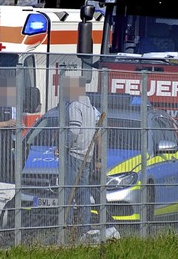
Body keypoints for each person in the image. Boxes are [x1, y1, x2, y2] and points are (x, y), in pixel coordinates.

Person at [61, 76, 101, 236]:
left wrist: (64, 145)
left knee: (67, 191)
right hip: (87, 155)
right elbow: (97, 132)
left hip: (74, 153)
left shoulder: (75, 105)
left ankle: (67, 224)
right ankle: (85, 226)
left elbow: (74, 130)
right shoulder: (91, 108)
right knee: (83, 191)